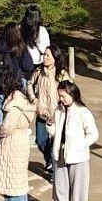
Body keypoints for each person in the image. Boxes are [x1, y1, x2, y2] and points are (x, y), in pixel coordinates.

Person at [0, 62, 37, 201]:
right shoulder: (22, 99)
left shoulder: (14, 105)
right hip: (20, 141)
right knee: (19, 182)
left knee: (11, 184)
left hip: (11, 144)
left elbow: (7, 128)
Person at [46, 80, 99, 201]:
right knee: (60, 189)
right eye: (59, 95)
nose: (61, 99)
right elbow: (56, 132)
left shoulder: (83, 112)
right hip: (60, 153)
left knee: (78, 190)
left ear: (72, 95)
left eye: (63, 96)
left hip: (78, 157)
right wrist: (50, 126)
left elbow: (93, 134)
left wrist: (80, 145)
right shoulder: (58, 110)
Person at [32, 45, 60, 177]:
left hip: (56, 114)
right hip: (41, 113)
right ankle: (49, 161)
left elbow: (68, 92)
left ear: (55, 58)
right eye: (44, 54)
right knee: (40, 140)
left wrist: (58, 110)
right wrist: (34, 99)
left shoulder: (61, 74)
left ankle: (54, 173)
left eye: (48, 55)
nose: (45, 57)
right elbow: (29, 84)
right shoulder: (38, 71)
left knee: (56, 144)